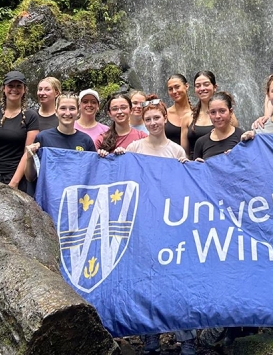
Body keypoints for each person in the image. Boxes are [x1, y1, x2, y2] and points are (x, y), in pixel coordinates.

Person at [112, 95, 195, 354]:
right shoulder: (135, 149)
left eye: (156, 117)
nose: (152, 122)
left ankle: (186, 336)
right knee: (146, 278)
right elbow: (118, 173)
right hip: (144, 220)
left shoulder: (176, 151)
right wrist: (112, 155)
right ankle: (150, 335)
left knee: (175, 278)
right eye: (147, 119)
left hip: (170, 220)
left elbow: (188, 186)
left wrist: (191, 167)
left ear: (165, 118)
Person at [0, 71, 39, 191]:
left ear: (24, 89)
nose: (14, 89)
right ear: (3, 88)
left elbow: (28, 152)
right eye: (10, 85)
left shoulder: (31, 116)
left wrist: (14, 183)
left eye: (18, 86)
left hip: (14, 175)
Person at [24, 92, 95, 183]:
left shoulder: (86, 140)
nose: (67, 113)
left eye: (72, 108)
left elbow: (93, 173)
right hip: (50, 195)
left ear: (78, 112)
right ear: (56, 111)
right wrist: (29, 158)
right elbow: (30, 177)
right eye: (63, 108)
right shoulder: (43, 138)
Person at [181, 71, 238, 159]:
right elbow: (185, 153)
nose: (202, 88)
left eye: (206, 84)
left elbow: (235, 140)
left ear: (215, 87)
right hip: (196, 165)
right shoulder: (187, 117)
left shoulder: (228, 116)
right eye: (198, 86)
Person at [193, 91, 243, 162]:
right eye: (213, 112)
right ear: (208, 114)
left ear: (231, 112)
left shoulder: (241, 137)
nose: (217, 116)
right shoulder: (201, 143)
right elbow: (195, 171)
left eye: (222, 111)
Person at [165, 74, 192, 145]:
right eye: (170, 89)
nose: (174, 91)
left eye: (177, 87)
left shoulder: (196, 113)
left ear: (186, 86)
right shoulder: (165, 114)